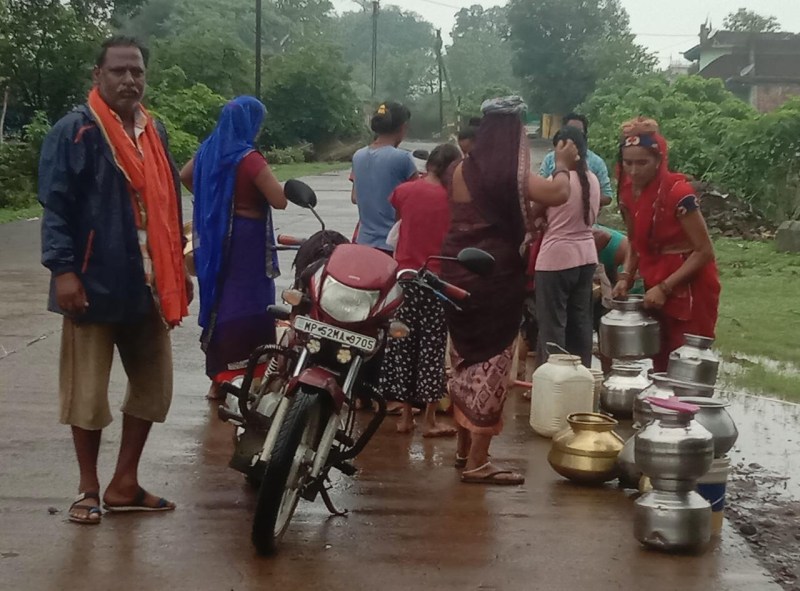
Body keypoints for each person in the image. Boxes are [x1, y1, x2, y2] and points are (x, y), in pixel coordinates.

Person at [38, 36, 191, 524]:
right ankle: (87, 488)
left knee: (153, 387)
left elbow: (167, 205)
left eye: (137, 72)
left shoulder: (155, 130)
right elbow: (57, 205)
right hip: (91, 282)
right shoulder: (76, 131)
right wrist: (63, 271)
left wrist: (179, 269)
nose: (130, 80)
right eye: (120, 71)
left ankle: (125, 483)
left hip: (150, 282)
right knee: (87, 391)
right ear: (98, 76)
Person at [441, 96, 576, 485]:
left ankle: (464, 450)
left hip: (456, 272)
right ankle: (479, 463)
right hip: (494, 280)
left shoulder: (459, 170)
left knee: (463, 360)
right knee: (493, 364)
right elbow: (558, 194)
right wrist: (563, 167)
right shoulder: (510, 177)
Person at [180, 97, 287, 400]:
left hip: (216, 239)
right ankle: (246, 376)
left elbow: (185, 176)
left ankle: (217, 379)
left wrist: (214, 200)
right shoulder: (249, 158)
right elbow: (279, 200)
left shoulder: (208, 150)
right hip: (247, 241)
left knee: (219, 302)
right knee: (250, 305)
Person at [612, 117, 720, 371]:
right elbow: (634, 240)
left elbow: (704, 251)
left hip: (690, 283)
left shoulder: (678, 194)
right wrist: (625, 277)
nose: (635, 171)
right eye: (628, 163)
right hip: (654, 277)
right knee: (658, 357)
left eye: (642, 163)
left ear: (659, 160)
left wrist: (665, 287)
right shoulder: (627, 192)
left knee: (688, 360)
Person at [379, 144, 462, 437]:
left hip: (404, 278)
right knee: (431, 347)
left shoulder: (404, 191)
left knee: (402, 345)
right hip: (437, 281)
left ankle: (405, 418)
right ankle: (429, 420)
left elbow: (399, 218)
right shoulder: (454, 200)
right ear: (451, 168)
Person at [534, 126, 601, 368]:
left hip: (556, 259)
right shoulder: (593, 180)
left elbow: (532, 213)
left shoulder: (556, 181)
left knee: (552, 328)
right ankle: (580, 379)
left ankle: (551, 383)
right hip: (586, 257)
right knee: (580, 325)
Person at [350, 101, 419, 254]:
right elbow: (419, 198)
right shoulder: (403, 158)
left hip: (364, 242)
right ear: (403, 127)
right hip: (392, 244)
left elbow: (355, 197)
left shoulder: (358, 156)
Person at [540, 112, 613, 206]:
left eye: (578, 132)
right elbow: (541, 190)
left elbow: (607, 196)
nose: (574, 136)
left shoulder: (596, 162)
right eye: (570, 131)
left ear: (585, 135)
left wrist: (580, 202)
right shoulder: (550, 159)